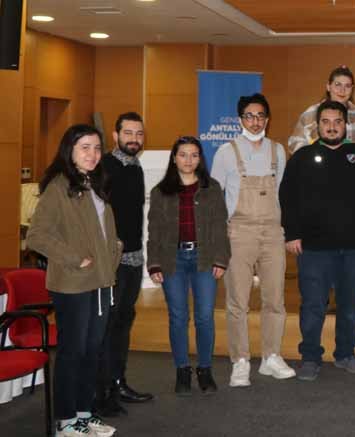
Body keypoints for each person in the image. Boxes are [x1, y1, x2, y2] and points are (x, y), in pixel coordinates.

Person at [27, 124, 120, 437]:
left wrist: (114, 251)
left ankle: (84, 413)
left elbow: (103, 232)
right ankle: (65, 420)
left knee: (92, 351)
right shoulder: (58, 186)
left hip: (101, 281)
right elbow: (37, 236)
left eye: (97, 148)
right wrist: (74, 258)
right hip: (72, 283)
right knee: (72, 352)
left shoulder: (95, 183)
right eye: (85, 147)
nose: (92, 154)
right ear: (70, 150)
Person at [281, 100, 355, 381]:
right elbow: (287, 197)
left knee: (349, 305)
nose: (332, 127)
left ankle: (345, 353)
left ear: (346, 125)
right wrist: (292, 233)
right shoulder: (302, 157)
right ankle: (310, 356)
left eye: (337, 122)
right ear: (317, 126)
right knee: (313, 305)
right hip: (314, 247)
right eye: (326, 122)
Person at [210, 94, 295, 387]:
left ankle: (271, 356)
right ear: (240, 120)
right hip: (239, 232)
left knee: (275, 299)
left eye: (260, 116)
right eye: (249, 116)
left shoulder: (278, 151)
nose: (255, 121)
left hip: (272, 232)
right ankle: (240, 361)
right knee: (237, 301)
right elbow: (214, 199)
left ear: (267, 119)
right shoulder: (226, 152)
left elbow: (282, 192)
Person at [146, 136, 230, 396]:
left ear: (200, 159)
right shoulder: (160, 192)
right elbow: (154, 231)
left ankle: (205, 369)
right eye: (183, 155)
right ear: (174, 158)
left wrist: (221, 258)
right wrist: (154, 263)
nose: (188, 160)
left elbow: (220, 226)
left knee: (204, 316)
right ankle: (182, 370)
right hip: (173, 261)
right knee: (178, 317)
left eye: (194, 155)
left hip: (204, 258)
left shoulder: (211, 188)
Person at [96, 112, 152, 419]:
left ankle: (118, 383)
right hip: (111, 262)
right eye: (128, 133)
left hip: (133, 258)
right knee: (108, 326)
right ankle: (102, 393)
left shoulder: (135, 167)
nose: (134, 139)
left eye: (139, 134)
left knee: (122, 324)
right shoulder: (104, 166)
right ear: (115, 135)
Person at [289, 66, 355, 152]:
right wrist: (311, 155)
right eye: (338, 84)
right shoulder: (311, 113)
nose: (342, 90)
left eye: (347, 86)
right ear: (328, 86)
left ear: (352, 88)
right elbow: (294, 143)